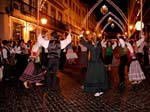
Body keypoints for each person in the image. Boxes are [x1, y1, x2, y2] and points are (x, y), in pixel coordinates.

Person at [79, 30, 109, 97]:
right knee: (99, 77)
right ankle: (100, 90)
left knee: (95, 77)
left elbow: (83, 42)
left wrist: (81, 35)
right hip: (99, 63)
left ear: (93, 41)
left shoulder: (92, 47)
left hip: (94, 64)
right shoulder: (98, 46)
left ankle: (98, 90)